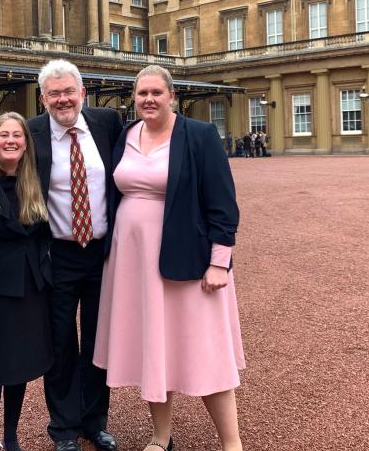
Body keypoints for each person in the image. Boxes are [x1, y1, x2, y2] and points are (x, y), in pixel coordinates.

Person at [94, 65, 245, 451]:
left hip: (188, 258)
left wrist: (219, 261)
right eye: (142, 93)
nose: (148, 99)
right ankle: (161, 437)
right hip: (133, 261)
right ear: (133, 96)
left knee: (205, 347)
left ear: (172, 95)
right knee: (153, 346)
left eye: (156, 93)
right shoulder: (126, 135)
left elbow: (223, 203)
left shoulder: (199, 135)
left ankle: (231, 442)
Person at [28, 59, 123, 451]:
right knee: (61, 344)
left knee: (99, 343)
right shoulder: (32, 133)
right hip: (57, 254)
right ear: (43, 98)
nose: (63, 99)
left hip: (103, 254)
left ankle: (94, 421)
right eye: (54, 93)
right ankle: (64, 427)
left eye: (69, 91)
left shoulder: (108, 123)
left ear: (83, 93)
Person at [0, 112, 54, 451]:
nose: (11, 141)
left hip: (30, 285)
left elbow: (47, 228)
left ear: (25, 142)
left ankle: (13, 436)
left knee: (19, 365)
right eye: (4, 135)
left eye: (17, 135)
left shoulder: (33, 177)